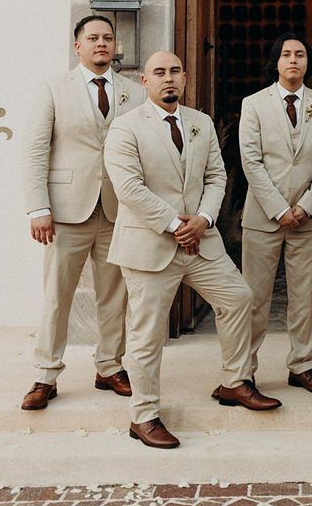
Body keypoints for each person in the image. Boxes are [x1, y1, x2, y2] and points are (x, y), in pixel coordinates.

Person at [104, 51, 280, 450]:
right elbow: (129, 188)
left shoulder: (200, 123)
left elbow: (217, 176)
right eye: (159, 72)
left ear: (185, 78)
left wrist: (203, 218)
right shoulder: (125, 127)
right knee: (147, 334)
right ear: (144, 82)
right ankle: (144, 415)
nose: (169, 79)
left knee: (238, 298)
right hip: (150, 244)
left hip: (201, 240)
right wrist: (173, 225)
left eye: (175, 71)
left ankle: (235, 381)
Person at [20, 15, 145, 410]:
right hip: (65, 211)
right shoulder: (54, 89)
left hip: (117, 209)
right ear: (78, 46)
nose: (101, 44)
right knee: (58, 295)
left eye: (108, 38)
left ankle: (109, 366)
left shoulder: (134, 93)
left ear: (115, 45)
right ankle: (45, 374)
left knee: (115, 294)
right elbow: (36, 150)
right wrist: (39, 207)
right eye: (92, 38)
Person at [237, 33, 312, 395]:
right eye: (286, 54)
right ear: (275, 62)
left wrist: (307, 205)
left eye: (300, 54)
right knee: (254, 296)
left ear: (308, 62)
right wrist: (279, 209)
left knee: (304, 296)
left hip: (307, 217)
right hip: (264, 217)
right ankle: (242, 370)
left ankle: (302, 365)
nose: (293, 59)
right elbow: (250, 160)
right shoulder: (254, 104)